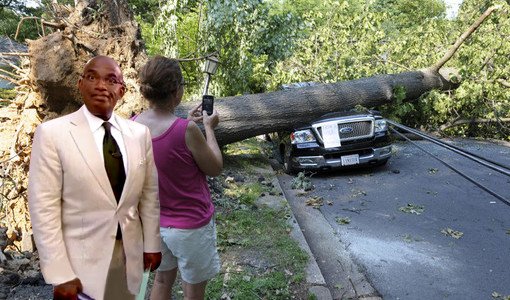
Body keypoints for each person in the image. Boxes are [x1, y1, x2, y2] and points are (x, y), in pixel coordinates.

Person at [27, 55, 162, 300]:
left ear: (121, 90)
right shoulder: (52, 135)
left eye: (111, 80)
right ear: (80, 84)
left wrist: (152, 243)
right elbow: (43, 209)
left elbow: (149, 195)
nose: (101, 86)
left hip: (129, 256)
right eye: (92, 77)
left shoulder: (140, 134)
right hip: (80, 265)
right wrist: (59, 273)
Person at [133, 55, 223, 300]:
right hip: (190, 228)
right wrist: (209, 129)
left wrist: (184, 124)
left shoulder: (132, 127)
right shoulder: (187, 130)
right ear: (176, 92)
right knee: (193, 290)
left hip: (154, 224)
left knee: (161, 281)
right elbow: (214, 167)